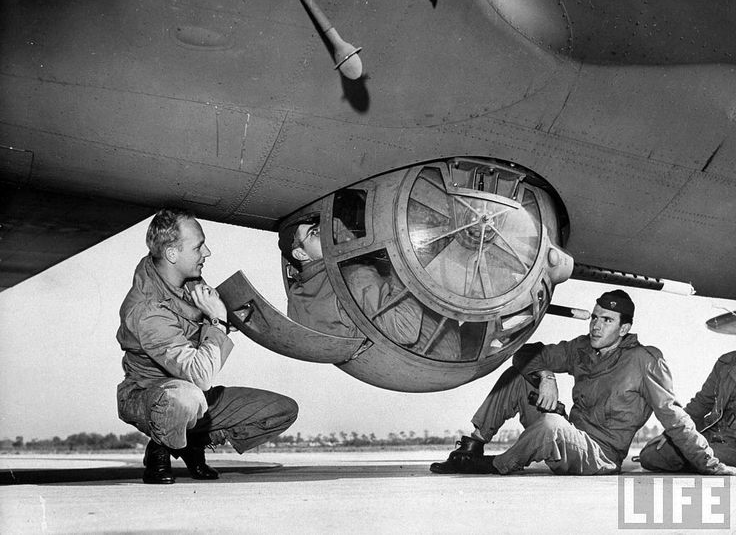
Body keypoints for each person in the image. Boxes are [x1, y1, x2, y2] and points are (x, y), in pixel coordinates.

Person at [430, 289, 736, 476]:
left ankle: (494, 466)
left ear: (624, 328)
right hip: (572, 434)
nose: (596, 325)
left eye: (606, 320)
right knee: (520, 377)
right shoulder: (581, 348)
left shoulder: (645, 361)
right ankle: (473, 446)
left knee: (551, 426)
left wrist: (709, 464)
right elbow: (524, 353)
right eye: (594, 317)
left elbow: (675, 415)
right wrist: (546, 376)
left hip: (599, 455)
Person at [116, 208, 298, 484]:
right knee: (186, 397)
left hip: (199, 398)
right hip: (150, 396)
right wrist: (217, 320)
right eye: (199, 246)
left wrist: (229, 318)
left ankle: (192, 442)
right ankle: (160, 449)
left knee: (281, 410)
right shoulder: (147, 310)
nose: (208, 252)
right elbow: (199, 375)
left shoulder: (186, 282)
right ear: (172, 254)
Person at [278, 217, 461, 356]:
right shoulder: (354, 276)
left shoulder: (296, 297)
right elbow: (405, 330)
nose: (328, 235)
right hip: (432, 352)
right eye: (315, 233)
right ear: (301, 253)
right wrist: (406, 265)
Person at [639, 351, 736, 472]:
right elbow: (701, 402)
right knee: (651, 455)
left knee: (697, 458)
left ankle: (705, 464)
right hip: (715, 435)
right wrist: (673, 432)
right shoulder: (727, 362)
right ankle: (702, 464)